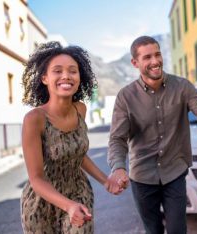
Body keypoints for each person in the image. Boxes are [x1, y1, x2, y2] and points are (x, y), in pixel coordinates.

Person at [107, 35, 197, 234]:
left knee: (177, 230)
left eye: (157, 54)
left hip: (174, 172)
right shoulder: (126, 96)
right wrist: (118, 167)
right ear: (135, 62)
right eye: (147, 57)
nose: (155, 61)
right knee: (153, 230)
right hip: (142, 177)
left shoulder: (182, 87)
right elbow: (117, 138)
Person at [20, 41, 121, 233]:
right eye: (57, 71)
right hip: (42, 203)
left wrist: (106, 181)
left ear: (79, 77)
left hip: (78, 193)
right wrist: (67, 205)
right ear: (44, 78)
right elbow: (36, 178)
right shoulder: (35, 119)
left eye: (72, 71)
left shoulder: (80, 109)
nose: (66, 75)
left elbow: (77, 154)